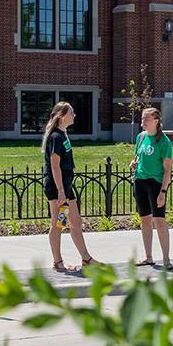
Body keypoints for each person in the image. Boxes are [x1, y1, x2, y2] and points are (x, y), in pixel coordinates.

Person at [43, 101, 99, 272]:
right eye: (71, 112)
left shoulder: (63, 134)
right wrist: (60, 191)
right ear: (61, 116)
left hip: (67, 186)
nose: (74, 115)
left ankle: (86, 259)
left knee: (75, 222)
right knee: (58, 223)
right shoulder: (55, 137)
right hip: (57, 188)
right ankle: (58, 262)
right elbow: (54, 165)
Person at [130, 107, 173, 270]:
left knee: (159, 221)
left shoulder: (164, 141)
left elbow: (168, 170)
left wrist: (163, 191)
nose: (142, 122)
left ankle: (166, 259)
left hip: (156, 184)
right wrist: (134, 164)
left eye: (146, 119)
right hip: (140, 181)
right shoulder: (140, 137)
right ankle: (148, 257)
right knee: (145, 220)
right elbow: (138, 157)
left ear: (156, 121)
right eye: (142, 119)